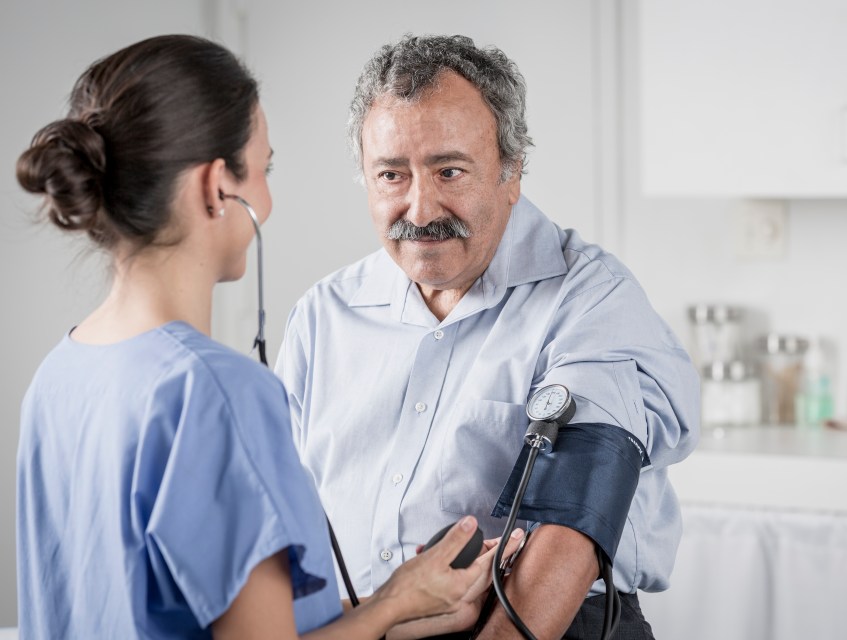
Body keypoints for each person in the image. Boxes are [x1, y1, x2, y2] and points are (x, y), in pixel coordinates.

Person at [15, 34, 516, 640]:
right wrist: (388, 607)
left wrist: (393, 605)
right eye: (262, 169)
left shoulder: (59, 375)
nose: (268, 199)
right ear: (215, 188)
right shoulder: (218, 395)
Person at [275, 34, 700, 639]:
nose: (420, 207)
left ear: (511, 171)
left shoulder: (591, 301)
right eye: (392, 174)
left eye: (450, 170)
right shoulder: (324, 315)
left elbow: (571, 521)